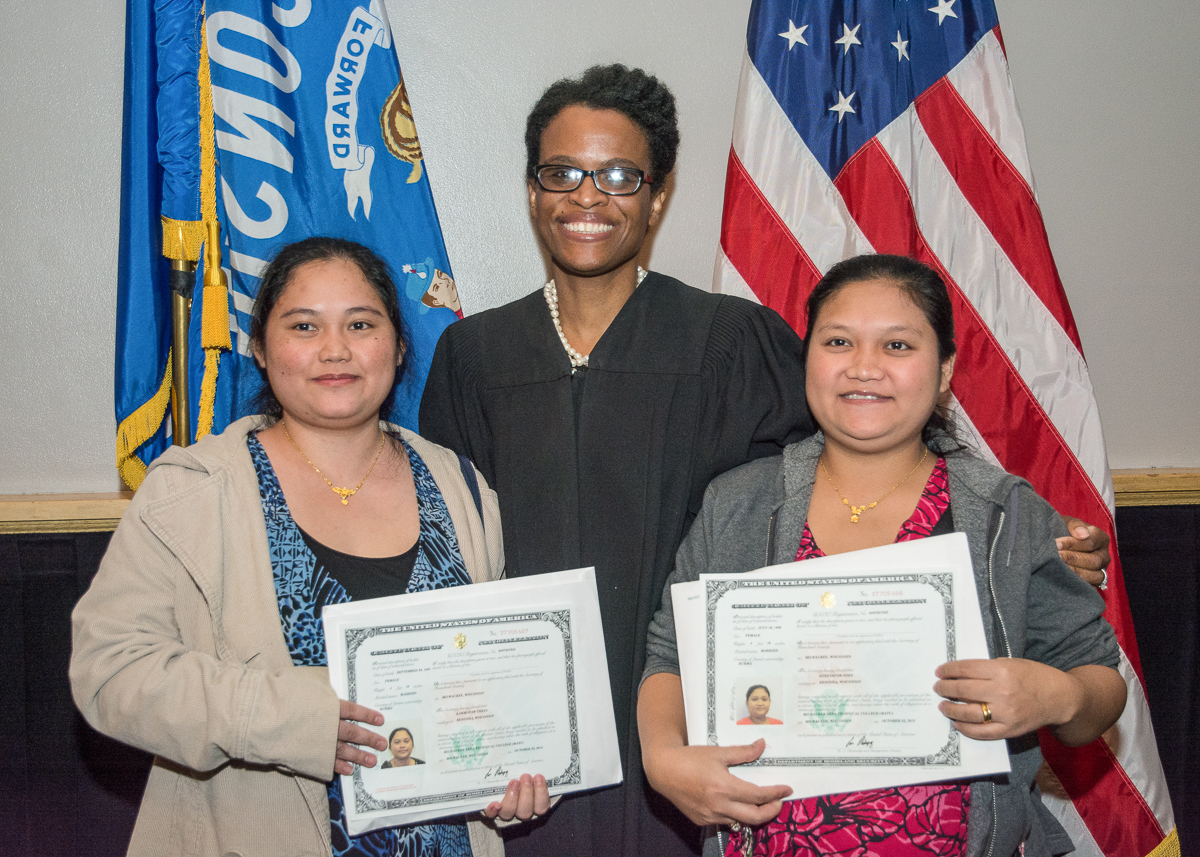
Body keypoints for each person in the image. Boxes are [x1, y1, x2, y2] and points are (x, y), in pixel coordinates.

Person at [420, 66, 1112, 857]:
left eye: (618, 175)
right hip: (537, 747)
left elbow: (860, 461)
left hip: (723, 736)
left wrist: (1036, 548)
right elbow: (441, 548)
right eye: (561, 172)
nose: (587, 196)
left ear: (657, 193)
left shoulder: (733, 342)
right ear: (533, 186)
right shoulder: (475, 356)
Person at [70, 237, 546, 857]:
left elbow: (489, 685)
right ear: (261, 350)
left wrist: (510, 775)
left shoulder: (462, 487)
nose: (335, 349)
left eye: (360, 323)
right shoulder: (194, 490)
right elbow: (110, 672)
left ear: (399, 347)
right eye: (303, 326)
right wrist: (292, 717)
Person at [637, 254, 1126, 857]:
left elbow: (1099, 680)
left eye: (897, 346)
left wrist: (1056, 697)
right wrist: (662, 760)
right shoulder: (737, 501)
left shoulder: (1002, 513)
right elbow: (670, 653)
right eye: (838, 341)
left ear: (945, 370)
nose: (864, 367)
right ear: (808, 358)